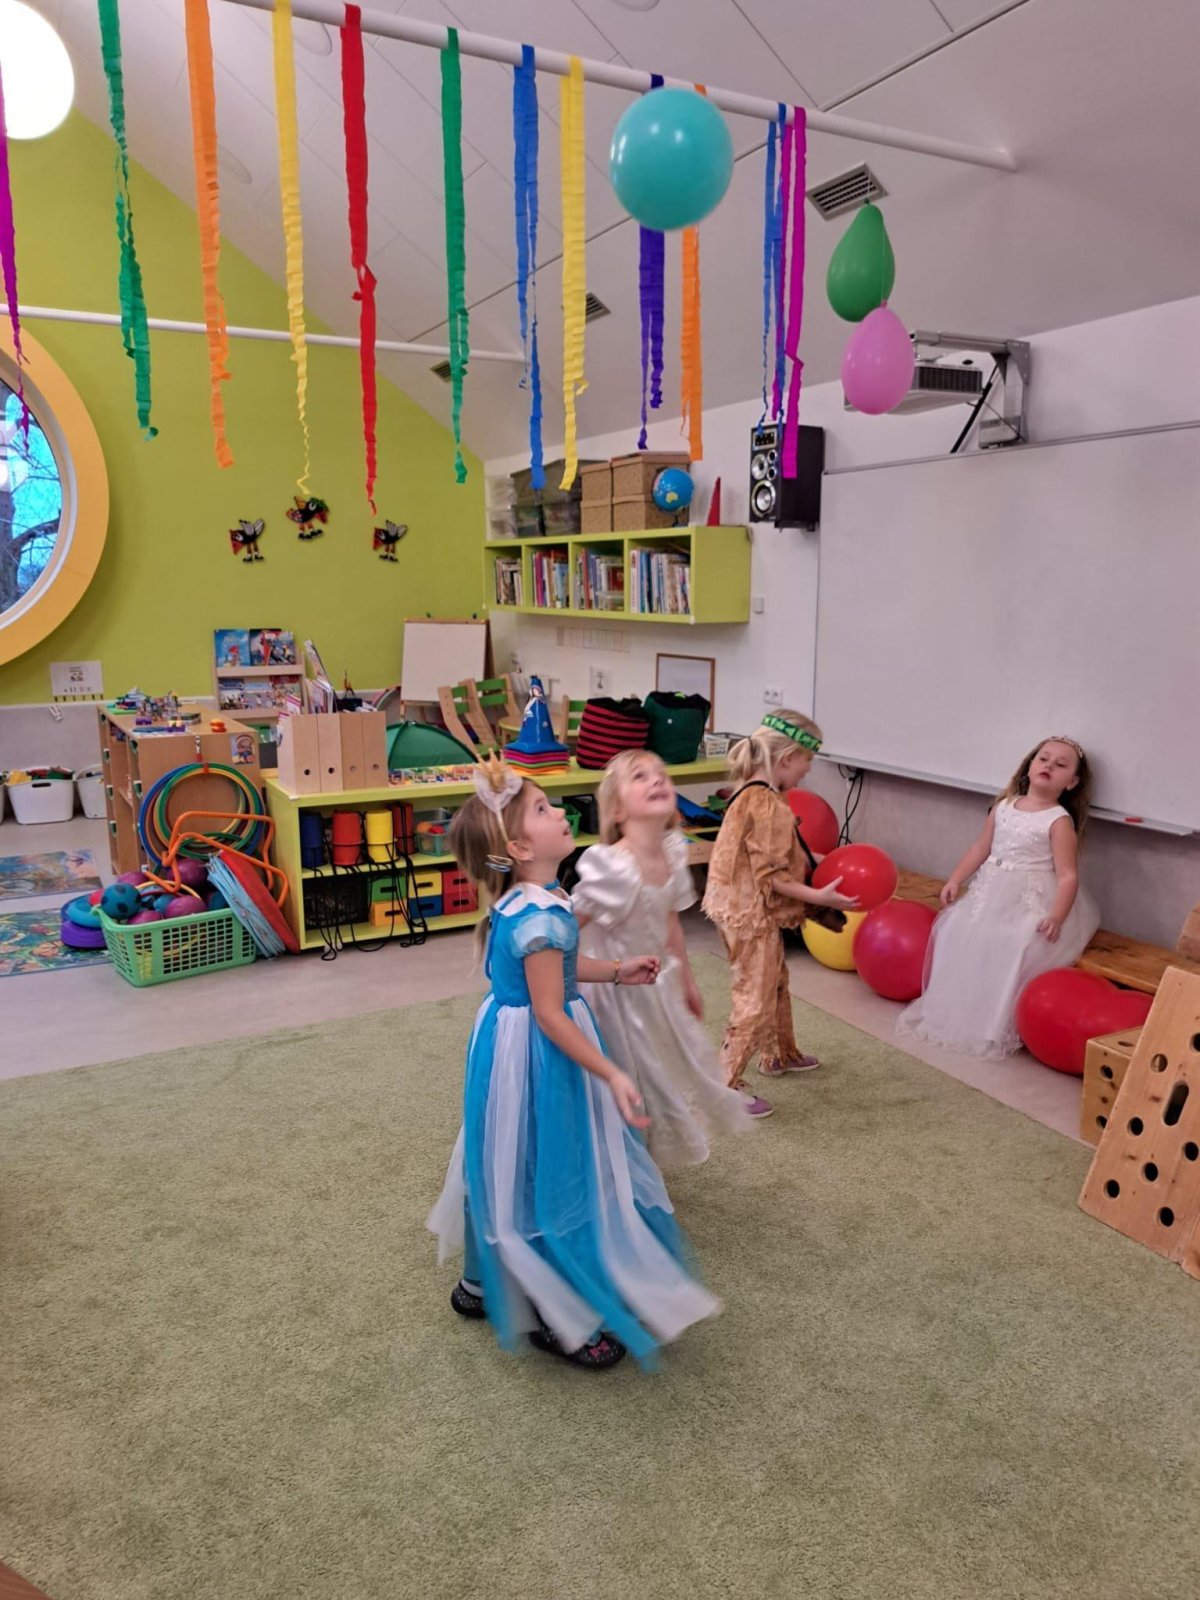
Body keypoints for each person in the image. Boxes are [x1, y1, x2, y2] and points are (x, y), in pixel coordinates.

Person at [427, 754, 720, 1370]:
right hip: (541, 1049)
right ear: (518, 846)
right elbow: (551, 1011)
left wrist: (615, 970)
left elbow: (560, 968)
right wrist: (610, 1071)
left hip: (506, 1043)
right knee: (555, 1164)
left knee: (506, 1154)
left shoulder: (531, 902)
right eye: (542, 808)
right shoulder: (540, 917)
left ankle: (479, 1282)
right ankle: (560, 1317)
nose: (560, 811)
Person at [573, 750, 750, 1169]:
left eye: (661, 774)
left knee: (663, 1065)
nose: (656, 780)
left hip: (656, 984)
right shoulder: (612, 866)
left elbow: (670, 920)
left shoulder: (672, 851)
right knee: (629, 1070)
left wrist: (686, 979)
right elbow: (563, 927)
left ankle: (641, 1153)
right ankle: (615, 1160)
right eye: (640, 776)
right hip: (614, 991)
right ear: (618, 810)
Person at [898, 735, 1099, 1057]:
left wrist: (1057, 916)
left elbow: (1067, 875)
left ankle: (992, 1023)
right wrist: (956, 879)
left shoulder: (1058, 821)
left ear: (1072, 782)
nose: (1048, 766)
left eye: (1060, 765)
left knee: (1016, 942)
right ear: (1029, 765)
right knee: (955, 929)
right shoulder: (1004, 806)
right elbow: (981, 847)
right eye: (1043, 759)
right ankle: (955, 1005)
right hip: (989, 892)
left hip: (1029, 898)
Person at [702, 711, 858, 1116]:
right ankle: (722, 1085)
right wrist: (820, 895)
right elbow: (771, 877)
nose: (808, 770)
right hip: (748, 913)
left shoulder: (754, 791)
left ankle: (778, 1054)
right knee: (754, 998)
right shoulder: (767, 802)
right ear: (787, 757)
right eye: (808, 760)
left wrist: (817, 860)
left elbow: (771, 852)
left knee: (775, 981)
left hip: (736, 907)